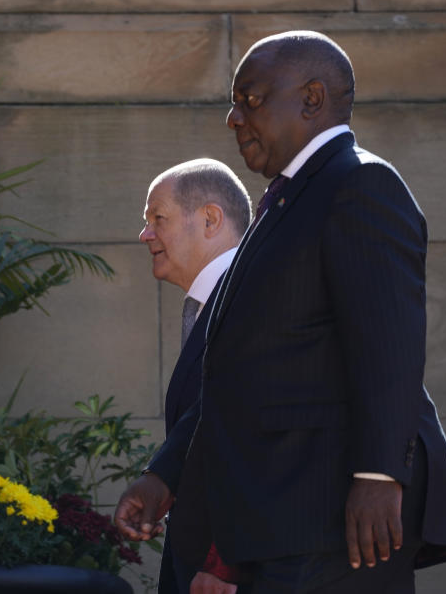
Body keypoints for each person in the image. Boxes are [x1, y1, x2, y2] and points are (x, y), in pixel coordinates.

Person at [115, 31, 446, 594]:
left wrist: (379, 475)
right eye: (233, 103)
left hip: (336, 518)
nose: (233, 118)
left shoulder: (360, 183)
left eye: (249, 99)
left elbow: (388, 347)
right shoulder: (282, 202)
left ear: (311, 98)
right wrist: (167, 475)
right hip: (281, 520)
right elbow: (237, 376)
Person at [139, 159, 252, 594]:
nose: (146, 234)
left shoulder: (256, 296)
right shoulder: (218, 301)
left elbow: (256, 432)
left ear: (210, 218)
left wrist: (225, 561)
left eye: (158, 219)